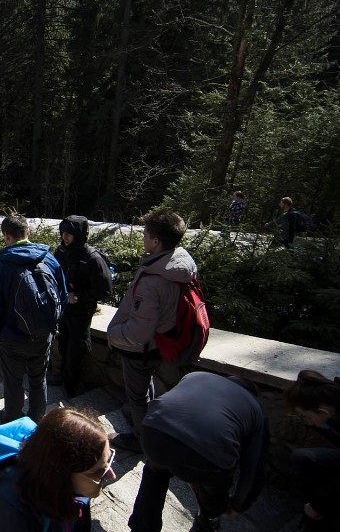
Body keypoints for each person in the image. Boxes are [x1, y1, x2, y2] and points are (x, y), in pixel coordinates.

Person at [129, 372, 268, 532]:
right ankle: (206, 523)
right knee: (214, 492)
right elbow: (254, 468)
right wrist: (239, 505)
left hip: (153, 431)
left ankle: (142, 528)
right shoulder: (256, 410)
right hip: (208, 458)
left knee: (155, 474)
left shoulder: (195, 375)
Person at [107, 209, 197, 453]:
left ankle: (141, 440)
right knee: (145, 387)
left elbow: (138, 332)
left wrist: (113, 333)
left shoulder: (154, 280)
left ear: (157, 242)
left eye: (145, 234)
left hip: (142, 349)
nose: (142, 238)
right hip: (162, 341)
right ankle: (147, 419)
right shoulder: (178, 263)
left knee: (136, 395)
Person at [0, 407, 115, 531]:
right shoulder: (11, 508)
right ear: (62, 472)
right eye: (99, 472)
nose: (112, 475)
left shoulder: (74, 489)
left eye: (110, 460)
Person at [0, 214, 66, 423]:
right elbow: (62, 295)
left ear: (6, 237)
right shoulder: (49, 257)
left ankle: (13, 421)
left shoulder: (1, 265)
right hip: (43, 334)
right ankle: (38, 418)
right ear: (28, 233)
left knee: (13, 382)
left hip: (11, 338)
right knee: (39, 380)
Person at [51, 216, 112, 397]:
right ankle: (63, 376)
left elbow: (105, 290)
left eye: (69, 234)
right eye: (63, 233)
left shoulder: (92, 258)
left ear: (79, 235)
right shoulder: (61, 251)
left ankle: (74, 385)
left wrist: (78, 296)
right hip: (64, 309)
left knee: (77, 349)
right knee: (63, 344)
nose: (65, 237)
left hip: (81, 311)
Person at [282, 370, 340, 532]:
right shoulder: (332, 411)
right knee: (303, 458)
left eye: (307, 417)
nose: (309, 423)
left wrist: (318, 505)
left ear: (323, 412)